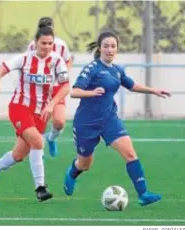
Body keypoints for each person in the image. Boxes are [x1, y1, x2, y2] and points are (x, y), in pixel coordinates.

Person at [63, 31, 171, 206]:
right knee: (85, 164)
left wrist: (154, 90)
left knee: (130, 153)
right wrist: (91, 93)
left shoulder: (117, 70)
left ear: (117, 49)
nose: (109, 49)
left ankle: (143, 194)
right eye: (106, 46)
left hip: (109, 119)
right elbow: (74, 92)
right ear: (100, 48)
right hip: (86, 123)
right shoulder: (92, 68)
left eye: (113, 46)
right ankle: (73, 172)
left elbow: (132, 85)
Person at [0, 26, 70, 202]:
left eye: (50, 43)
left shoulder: (57, 61)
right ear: (35, 43)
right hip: (20, 107)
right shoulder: (24, 59)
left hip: (41, 113)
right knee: (37, 141)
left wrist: (51, 105)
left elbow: (65, 86)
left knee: (18, 155)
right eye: (43, 43)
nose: (47, 46)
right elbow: (1, 70)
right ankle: (40, 188)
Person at [27, 17, 72, 157]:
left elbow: (68, 61)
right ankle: (38, 150)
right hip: (39, 89)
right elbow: (26, 65)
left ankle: (51, 139)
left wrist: (62, 73)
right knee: (38, 123)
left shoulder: (61, 45)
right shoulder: (32, 46)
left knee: (59, 122)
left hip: (57, 89)